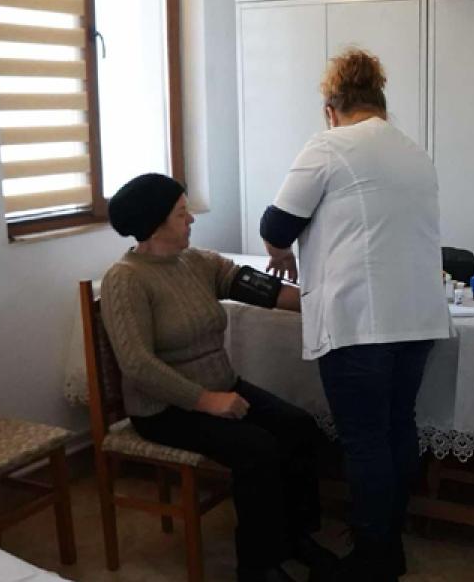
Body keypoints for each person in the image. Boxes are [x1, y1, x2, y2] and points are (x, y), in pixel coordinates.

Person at [259, 48, 451, 581]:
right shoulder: (414, 152)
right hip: (418, 316)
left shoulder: (329, 144)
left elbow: (276, 224)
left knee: (365, 440)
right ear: (381, 103)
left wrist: (279, 252)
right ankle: (389, 541)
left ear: (331, 109)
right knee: (397, 427)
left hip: (361, 320)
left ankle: (372, 558)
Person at [100, 173, 337, 582]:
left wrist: (325, 303)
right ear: (155, 224)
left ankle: (295, 538)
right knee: (256, 449)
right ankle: (258, 566)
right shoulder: (125, 279)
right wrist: (206, 401)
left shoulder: (196, 262)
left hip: (221, 388)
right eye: (181, 213)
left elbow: (261, 289)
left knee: (298, 427)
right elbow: (137, 365)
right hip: (165, 408)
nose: (191, 219)